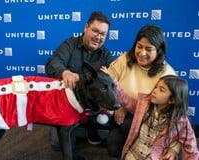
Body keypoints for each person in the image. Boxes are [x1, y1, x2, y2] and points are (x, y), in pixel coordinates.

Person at [104, 24, 180, 158]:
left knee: (128, 125)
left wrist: (175, 148)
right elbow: (108, 80)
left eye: (148, 49)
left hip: (151, 124)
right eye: (139, 46)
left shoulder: (168, 75)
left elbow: (179, 116)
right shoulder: (125, 58)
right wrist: (117, 105)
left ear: (159, 51)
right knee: (113, 147)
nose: (142, 53)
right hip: (123, 114)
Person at [45, 11, 114, 148]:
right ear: (86, 27)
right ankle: (72, 129)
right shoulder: (69, 45)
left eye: (103, 34)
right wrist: (64, 72)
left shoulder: (106, 54)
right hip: (66, 106)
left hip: (92, 109)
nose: (98, 37)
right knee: (57, 144)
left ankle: (90, 128)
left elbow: (114, 79)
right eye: (95, 31)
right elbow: (53, 63)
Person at [103, 73, 199, 159]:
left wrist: (174, 149)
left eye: (161, 90)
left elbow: (191, 148)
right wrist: (113, 82)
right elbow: (127, 101)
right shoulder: (144, 104)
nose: (154, 91)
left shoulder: (181, 122)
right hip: (132, 155)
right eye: (156, 87)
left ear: (172, 100)